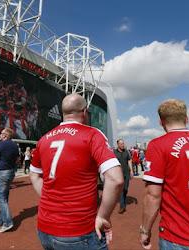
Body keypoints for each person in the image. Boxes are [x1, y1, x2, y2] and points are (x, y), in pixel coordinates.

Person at [30, 94, 124, 249]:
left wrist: (52, 199)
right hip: (79, 230)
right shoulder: (92, 134)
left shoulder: (44, 139)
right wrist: (103, 215)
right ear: (85, 112)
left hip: (45, 228)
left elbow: (34, 174)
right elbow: (115, 179)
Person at [139, 99, 189, 250]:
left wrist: (145, 230)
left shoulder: (158, 145)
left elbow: (153, 195)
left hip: (177, 236)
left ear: (160, 121)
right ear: (186, 118)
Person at [0, 128, 19, 233]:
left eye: (1, 133)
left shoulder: (1, 144)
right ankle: (0, 219)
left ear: (5, 135)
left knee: (1, 199)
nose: (0, 135)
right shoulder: (15, 145)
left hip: (1, 172)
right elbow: (17, 160)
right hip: (10, 172)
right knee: (4, 197)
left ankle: (7, 222)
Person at [114, 139, 134, 214]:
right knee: (121, 189)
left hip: (126, 173)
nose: (122, 145)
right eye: (121, 144)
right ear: (118, 145)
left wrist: (131, 170)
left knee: (125, 189)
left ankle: (122, 199)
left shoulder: (126, 152)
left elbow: (129, 160)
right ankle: (122, 206)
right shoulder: (114, 152)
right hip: (118, 173)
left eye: (123, 143)